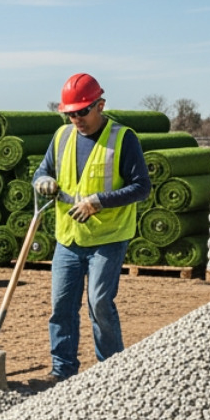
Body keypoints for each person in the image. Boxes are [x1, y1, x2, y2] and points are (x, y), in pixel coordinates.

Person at [33, 73, 152, 381]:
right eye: (70, 113)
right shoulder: (61, 138)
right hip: (69, 239)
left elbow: (142, 187)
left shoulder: (123, 138)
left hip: (108, 239)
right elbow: (42, 171)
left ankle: (111, 372)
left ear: (100, 105)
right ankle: (63, 372)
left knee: (99, 302)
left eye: (82, 111)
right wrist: (43, 181)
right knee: (61, 307)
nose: (76, 119)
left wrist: (98, 201)